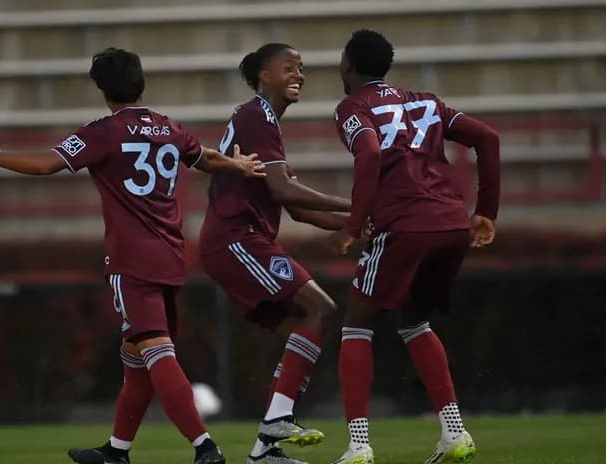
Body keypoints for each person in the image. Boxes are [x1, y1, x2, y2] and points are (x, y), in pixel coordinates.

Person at [0, 47, 266, 464]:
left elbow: (46, 165)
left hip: (131, 260)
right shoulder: (165, 127)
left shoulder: (102, 132)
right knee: (137, 356)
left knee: (156, 351)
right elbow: (203, 158)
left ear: (102, 88)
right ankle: (117, 451)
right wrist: (237, 166)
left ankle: (205, 447)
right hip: (171, 255)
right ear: (141, 82)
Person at [326, 29, 501, 464]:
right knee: (414, 321)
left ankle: (360, 445)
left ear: (348, 66)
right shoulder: (427, 101)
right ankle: (454, 433)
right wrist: (487, 211)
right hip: (451, 224)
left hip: (406, 224)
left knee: (356, 324)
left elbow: (368, 154)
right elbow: (488, 138)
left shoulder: (353, 106)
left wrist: (352, 224)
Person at [198, 43, 353, 464]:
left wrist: (356, 225)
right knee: (319, 308)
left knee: (305, 329)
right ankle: (276, 422)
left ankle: (265, 451)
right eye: (288, 67)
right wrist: (355, 206)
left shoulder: (262, 122)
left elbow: (299, 210)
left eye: (301, 67)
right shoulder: (256, 116)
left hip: (238, 242)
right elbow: (285, 190)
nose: (298, 74)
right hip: (237, 240)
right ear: (263, 76)